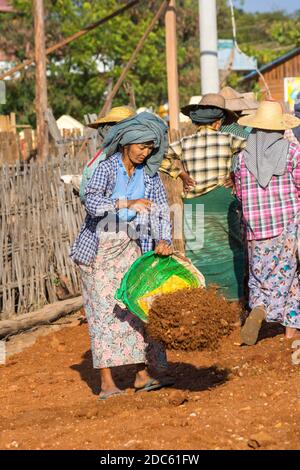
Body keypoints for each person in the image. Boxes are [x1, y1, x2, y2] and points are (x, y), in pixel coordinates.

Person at [70, 112, 173, 399]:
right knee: (103, 314)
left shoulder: (149, 176)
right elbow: (91, 201)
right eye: (141, 147)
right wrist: (126, 202)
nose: (145, 153)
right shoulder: (107, 167)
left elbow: (161, 209)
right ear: (126, 143)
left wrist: (163, 238)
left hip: (132, 248)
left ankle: (141, 375)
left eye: (150, 148)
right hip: (99, 250)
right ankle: (106, 382)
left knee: (133, 308)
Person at [160, 93, 246, 300]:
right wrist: (234, 177)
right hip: (222, 199)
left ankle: (206, 300)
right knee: (230, 245)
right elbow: (250, 155)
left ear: (196, 123)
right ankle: (234, 301)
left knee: (197, 248)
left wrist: (181, 173)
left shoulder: (185, 142)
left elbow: (161, 159)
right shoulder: (229, 139)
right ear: (218, 123)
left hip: (194, 202)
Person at [234, 100, 300, 345]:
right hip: (287, 225)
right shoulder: (292, 152)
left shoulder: (242, 159)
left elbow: (240, 195)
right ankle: (289, 331)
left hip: (255, 229)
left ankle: (260, 306)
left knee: (260, 274)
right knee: (292, 276)